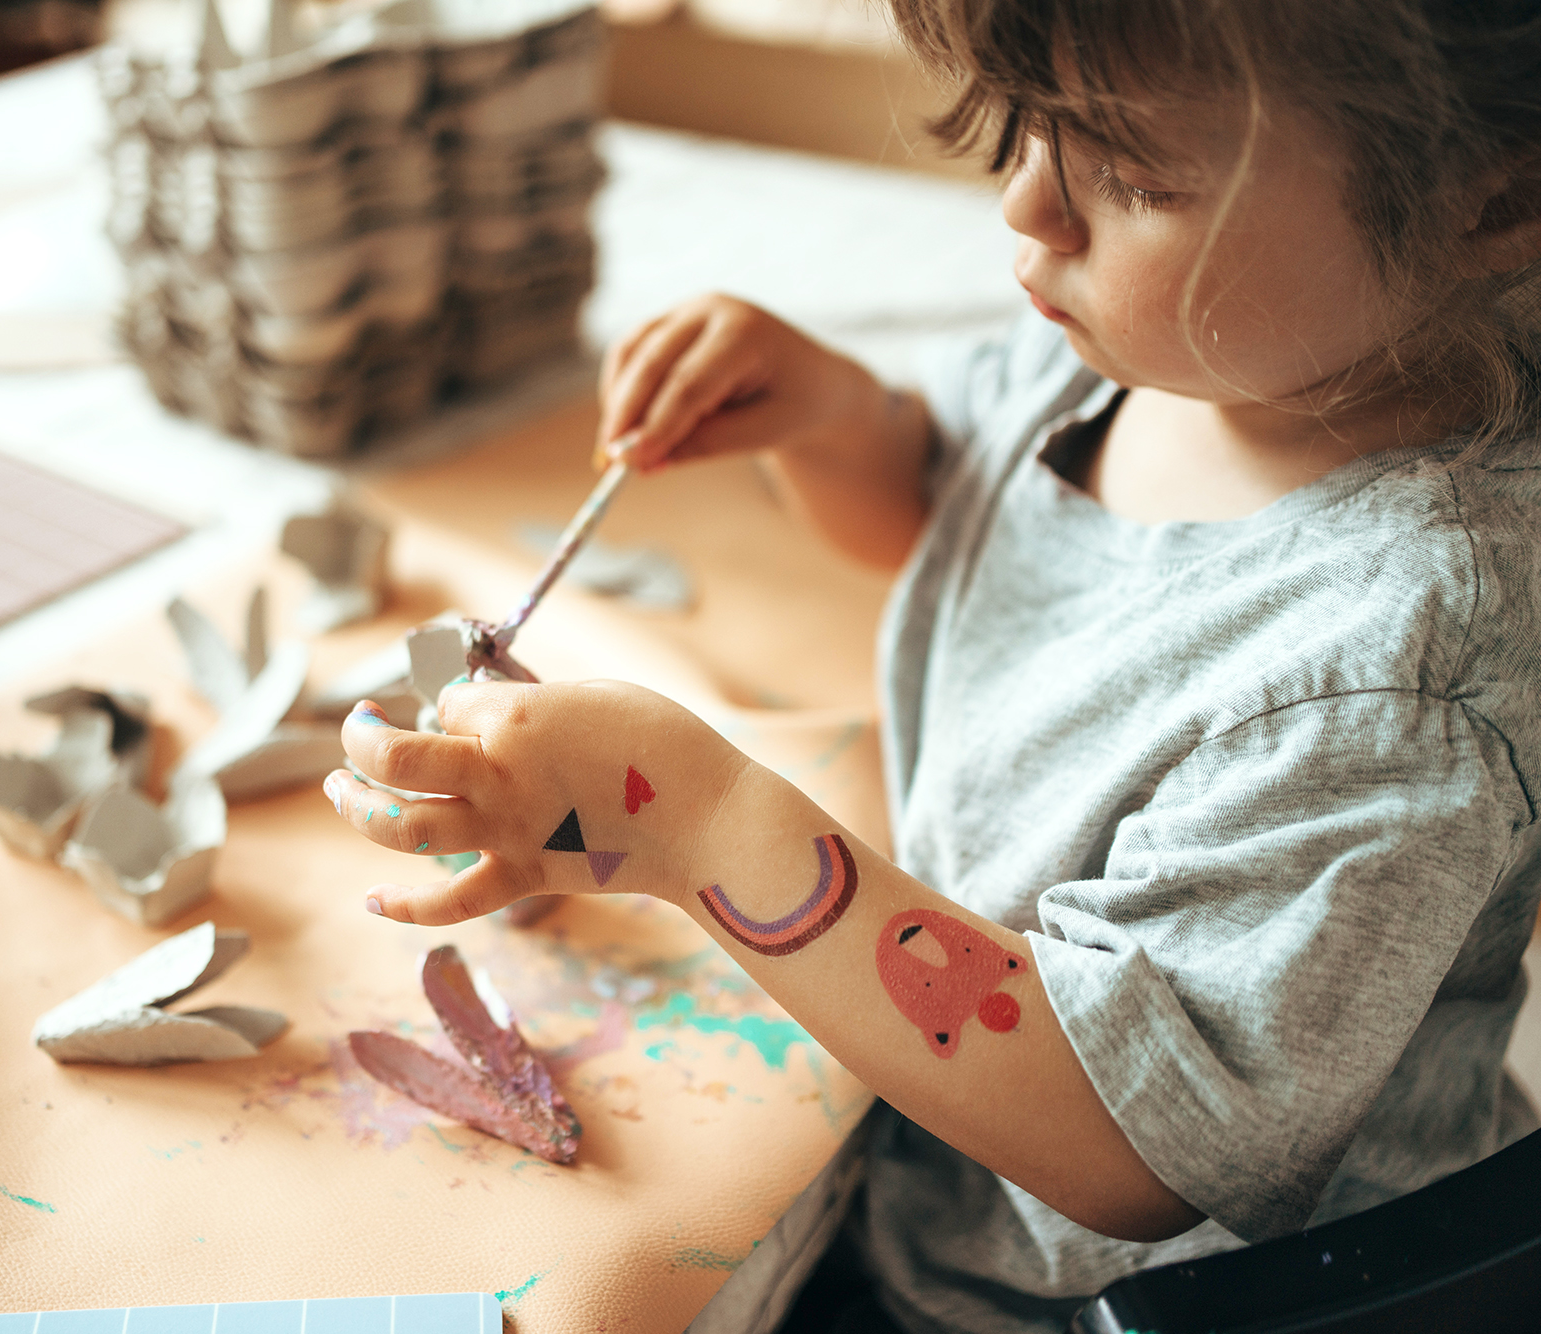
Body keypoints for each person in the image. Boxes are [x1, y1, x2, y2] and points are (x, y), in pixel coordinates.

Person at [324, 0, 1541, 1328]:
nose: (1028, 205)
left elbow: (1125, 1147)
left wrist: (698, 825)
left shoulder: (1394, 675)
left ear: (1495, 203)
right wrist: (840, 418)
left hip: (1081, 1292)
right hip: (933, 1119)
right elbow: (949, 502)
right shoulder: (1179, 344)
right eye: (1023, 123)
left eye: (1129, 173)